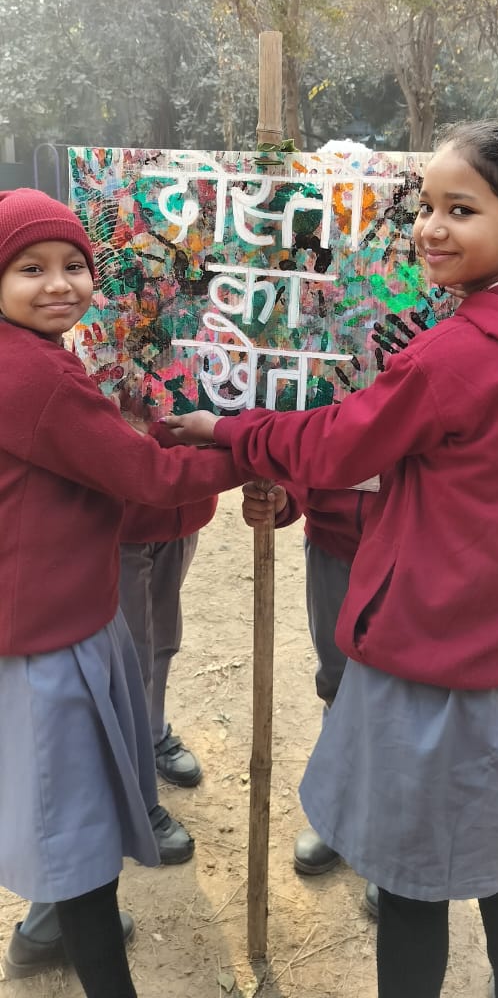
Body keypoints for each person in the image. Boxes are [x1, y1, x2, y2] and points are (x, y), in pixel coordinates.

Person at [164, 120, 498, 998]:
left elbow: (338, 443)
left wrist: (230, 429)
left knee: (411, 879)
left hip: (433, 657)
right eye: (425, 207)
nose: (431, 228)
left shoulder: (454, 355)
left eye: (460, 210)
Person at [0, 188, 245, 998]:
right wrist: (249, 448)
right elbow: (144, 476)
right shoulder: (35, 374)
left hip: (56, 613)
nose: (59, 284)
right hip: (48, 636)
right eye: (30, 268)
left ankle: (46, 931)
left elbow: (103, 460)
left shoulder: (33, 356)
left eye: (74, 265)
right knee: (76, 838)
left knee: (63, 809)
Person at [241, 479, 380, 915]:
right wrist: (286, 493)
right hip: (331, 541)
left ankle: (389, 842)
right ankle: (336, 815)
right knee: (336, 684)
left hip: (411, 547)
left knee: (402, 696)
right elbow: (301, 444)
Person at [118, 532, 202, 866]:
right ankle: (131, 798)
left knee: (163, 633)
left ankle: (153, 734)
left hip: (179, 516)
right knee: (129, 653)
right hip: (122, 522)